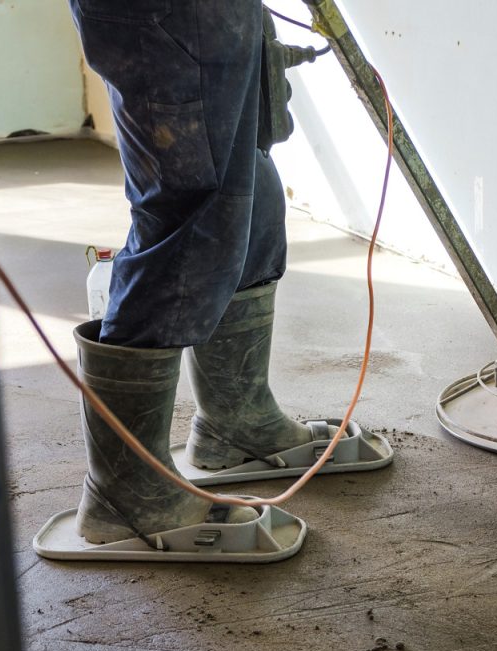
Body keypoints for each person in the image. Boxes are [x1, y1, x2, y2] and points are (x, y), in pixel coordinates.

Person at [68, 0, 332, 544]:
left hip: (212, 15)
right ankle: (126, 494)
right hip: (165, 16)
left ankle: (237, 423)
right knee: (187, 220)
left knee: (252, 204)